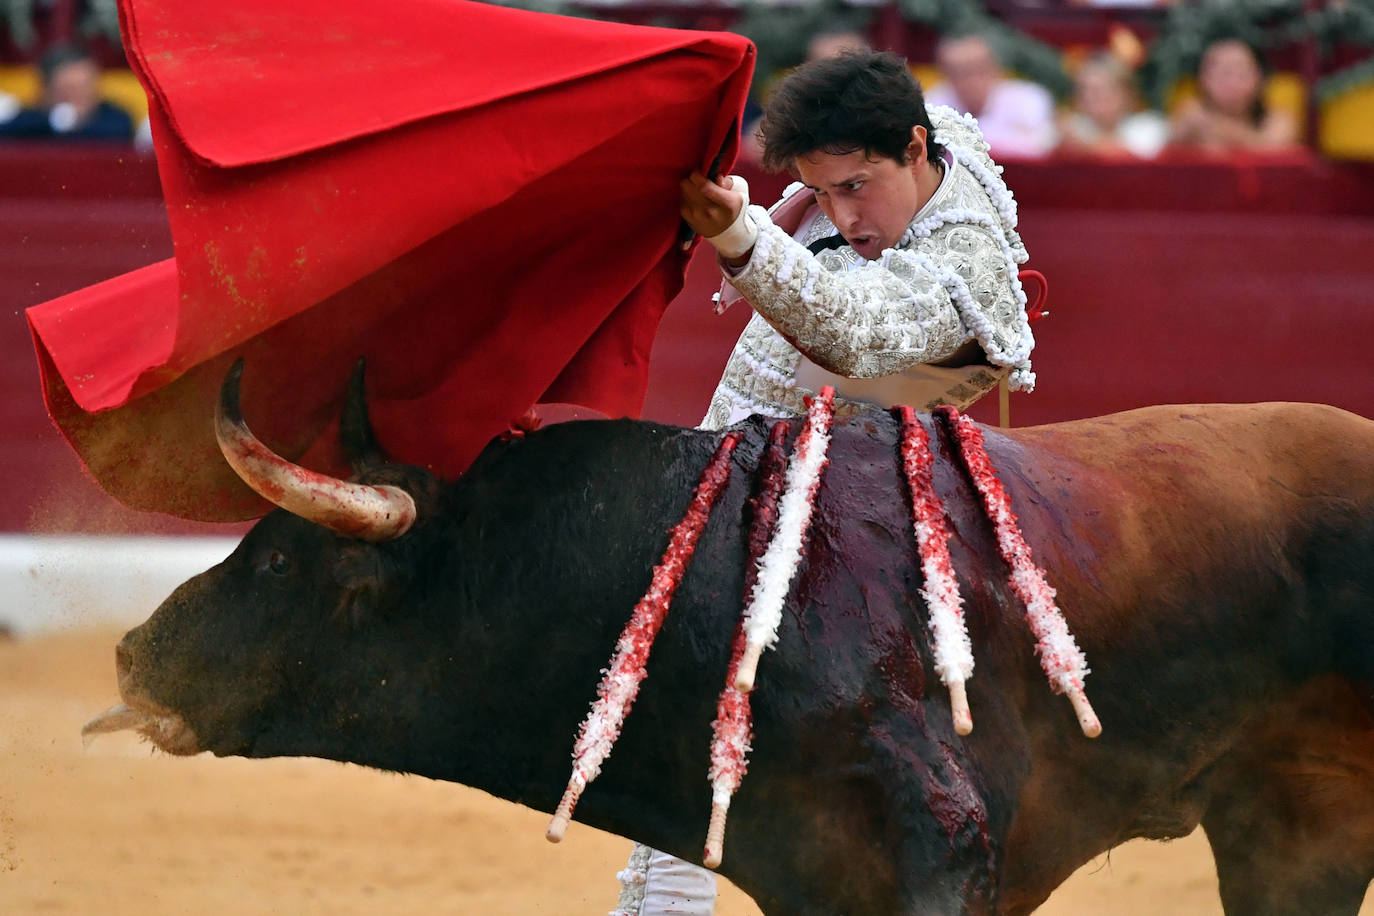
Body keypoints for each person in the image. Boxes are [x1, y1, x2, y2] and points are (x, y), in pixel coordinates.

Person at [612, 49, 1038, 916]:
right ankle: (668, 895)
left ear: (914, 148)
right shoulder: (922, 142)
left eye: (856, 187)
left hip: (862, 525)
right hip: (760, 472)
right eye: (824, 190)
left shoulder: (968, 258)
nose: (842, 214)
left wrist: (741, 234)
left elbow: (856, 331)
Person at [924, 33, 1056, 159]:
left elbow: (1039, 146)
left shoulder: (1028, 97)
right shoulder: (932, 102)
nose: (969, 81)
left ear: (995, 69)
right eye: (957, 72)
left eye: (977, 69)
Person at [1168, 37, 1300, 152]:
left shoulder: (1278, 121)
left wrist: (1218, 129)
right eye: (1222, 72)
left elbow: (1273, 152)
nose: (1231, 82)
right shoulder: (1190, 115)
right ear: (1202, 78)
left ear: (1260, 78)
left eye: (1240, 71)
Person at [0, 43, 134, 142]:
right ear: (45, 91)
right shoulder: (28, 121)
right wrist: (55, 121)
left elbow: (119, 131)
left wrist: (76, 124)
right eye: (68, 90)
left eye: (85, 88)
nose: (78, 98)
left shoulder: (114, 119)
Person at [1057, 51, 1167, 159]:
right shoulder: (1068, 127)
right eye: (1085, 89)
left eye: (1102, 89)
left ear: (1127, 93)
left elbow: (1132, 158)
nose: (1092, 97)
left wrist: (1083, 146)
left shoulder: (1149, 126)